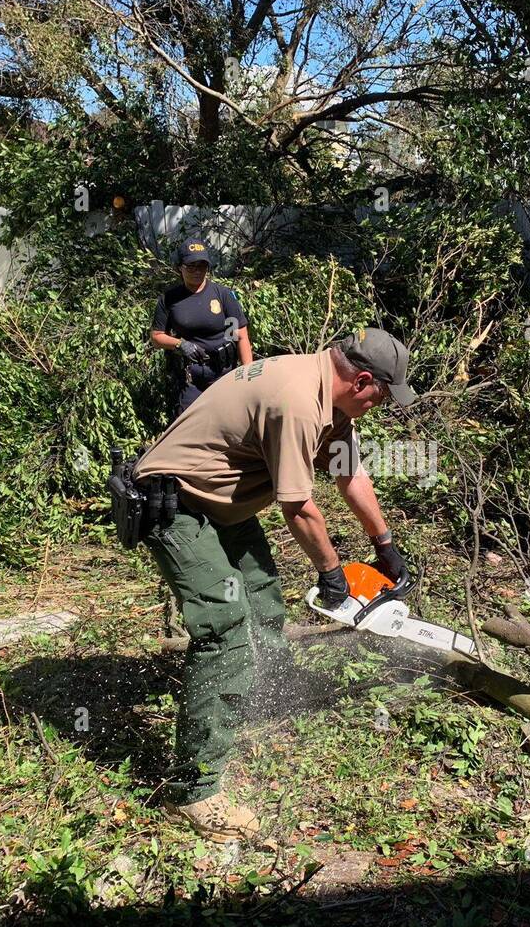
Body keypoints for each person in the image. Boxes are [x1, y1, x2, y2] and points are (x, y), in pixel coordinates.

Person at [133, 327, 417, 841]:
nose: (382, 406)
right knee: (225, 628)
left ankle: (253, 704)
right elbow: (299, 507)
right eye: (382, 396)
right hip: (176, 505)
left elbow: (349, 475)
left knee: (262, 602)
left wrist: (384, 545)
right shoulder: (296, 400)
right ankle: (197, 790)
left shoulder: (328, 397)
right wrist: (331, 573)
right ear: (363, 381)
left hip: (223, 504)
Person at [149, 239, 253, 415]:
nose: (197, 271)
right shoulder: (170, 300)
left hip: (225, 374)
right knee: (189, 429)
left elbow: (239, 336)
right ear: (179, 267)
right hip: (192, 378)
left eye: (202, 266)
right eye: (191, 266)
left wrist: (248, 376)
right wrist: (180, 344)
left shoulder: (223, 295)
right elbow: (156, 337)